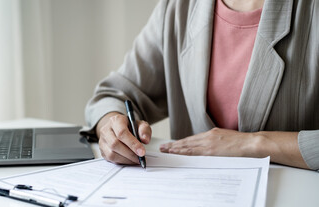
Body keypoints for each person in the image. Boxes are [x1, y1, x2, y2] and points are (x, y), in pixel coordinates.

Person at [83, 0, 319, 171]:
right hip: (193, 205)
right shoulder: (178, 7)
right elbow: (113, 94)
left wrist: (257, 143)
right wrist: (111, 126)